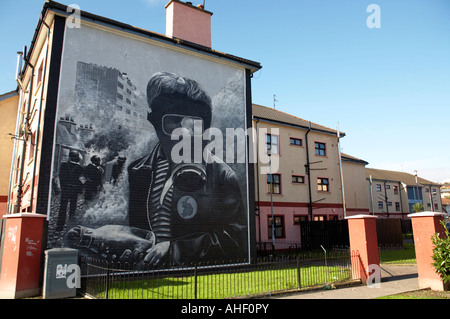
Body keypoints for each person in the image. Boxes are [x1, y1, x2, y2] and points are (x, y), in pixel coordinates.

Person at [127, 72, 247, 265]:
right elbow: (135, 229)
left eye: (195, 124)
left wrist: (176, 251)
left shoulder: (223, 176)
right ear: (154, 121)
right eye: (174, 121)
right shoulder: (138, 171)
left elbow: (235, 237)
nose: (185, 133)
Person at [56, 150, 84, 232]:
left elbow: (61, 178)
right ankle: (70, 227)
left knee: (62, 207)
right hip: (74, 191)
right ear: (77, 158)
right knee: (73, 208)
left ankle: (59, 226)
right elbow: (82, 181)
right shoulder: (80, 168)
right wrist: (79, 190)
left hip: (65, 190)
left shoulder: (63, 165)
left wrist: (63, 188)